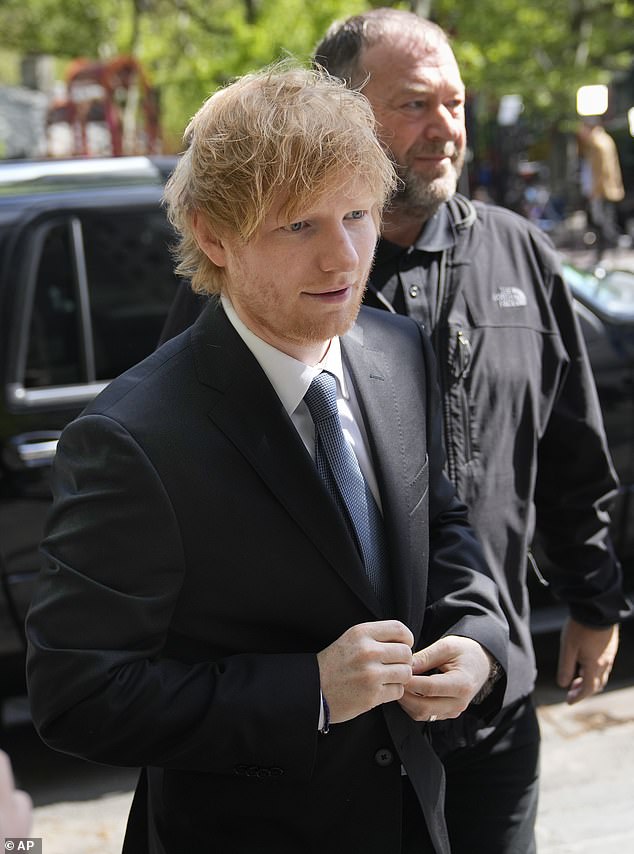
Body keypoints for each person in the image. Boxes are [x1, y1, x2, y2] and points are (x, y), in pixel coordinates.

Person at [159, 11, 633, 854]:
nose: (446, 127)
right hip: (329, 747)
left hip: (492, 702)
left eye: (456, 103)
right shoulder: (261, 276)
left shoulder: (520, 254)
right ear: (340, 112)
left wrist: (594, 602)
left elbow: (571, 453)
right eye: (416, 104)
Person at [26, 65, 510, 854]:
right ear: (214, 234)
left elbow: (445, 525)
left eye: (356, 215)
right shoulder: (132, 438)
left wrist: (479, 639)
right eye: (299, 227)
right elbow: (77, 695)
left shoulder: (396, 353)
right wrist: (309, 693)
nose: (343, 258)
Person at [577, 118, 625, 261]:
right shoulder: (603, 139)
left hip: (601, 190)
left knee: (602, 223)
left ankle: (609, 249)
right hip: (606, 189)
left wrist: (594, 191)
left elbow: (600, 171)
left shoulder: (597, 143)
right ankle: (607, 251)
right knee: (605, 221)